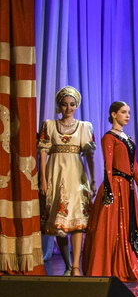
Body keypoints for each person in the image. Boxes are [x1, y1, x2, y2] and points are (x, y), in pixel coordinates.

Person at [83, 101, 138, 282]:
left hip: (128, 188)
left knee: (128, 227)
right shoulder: (109, 137)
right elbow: (108, 165)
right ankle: (109, 267)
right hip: (115, 186)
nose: (127, 115)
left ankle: (128, 266)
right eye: (123, 112)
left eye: (128, 112)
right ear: (114, 114)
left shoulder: (128, 139)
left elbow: (134, 166)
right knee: (112, 227)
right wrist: (109, 189)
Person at [37, 86, 95, 275]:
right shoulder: (49, 125)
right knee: (59, 223)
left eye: (72, 104)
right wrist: (43, 178)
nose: (68, 108)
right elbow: (43, 152)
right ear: (59, 105)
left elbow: (89, 156)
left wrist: (93, 179)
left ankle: (76, 266)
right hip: (55, 175)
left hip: (76, 177)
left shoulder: (84, 127)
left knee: (77, 222)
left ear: (76, 105)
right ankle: (68, 265)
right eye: (64, 104)